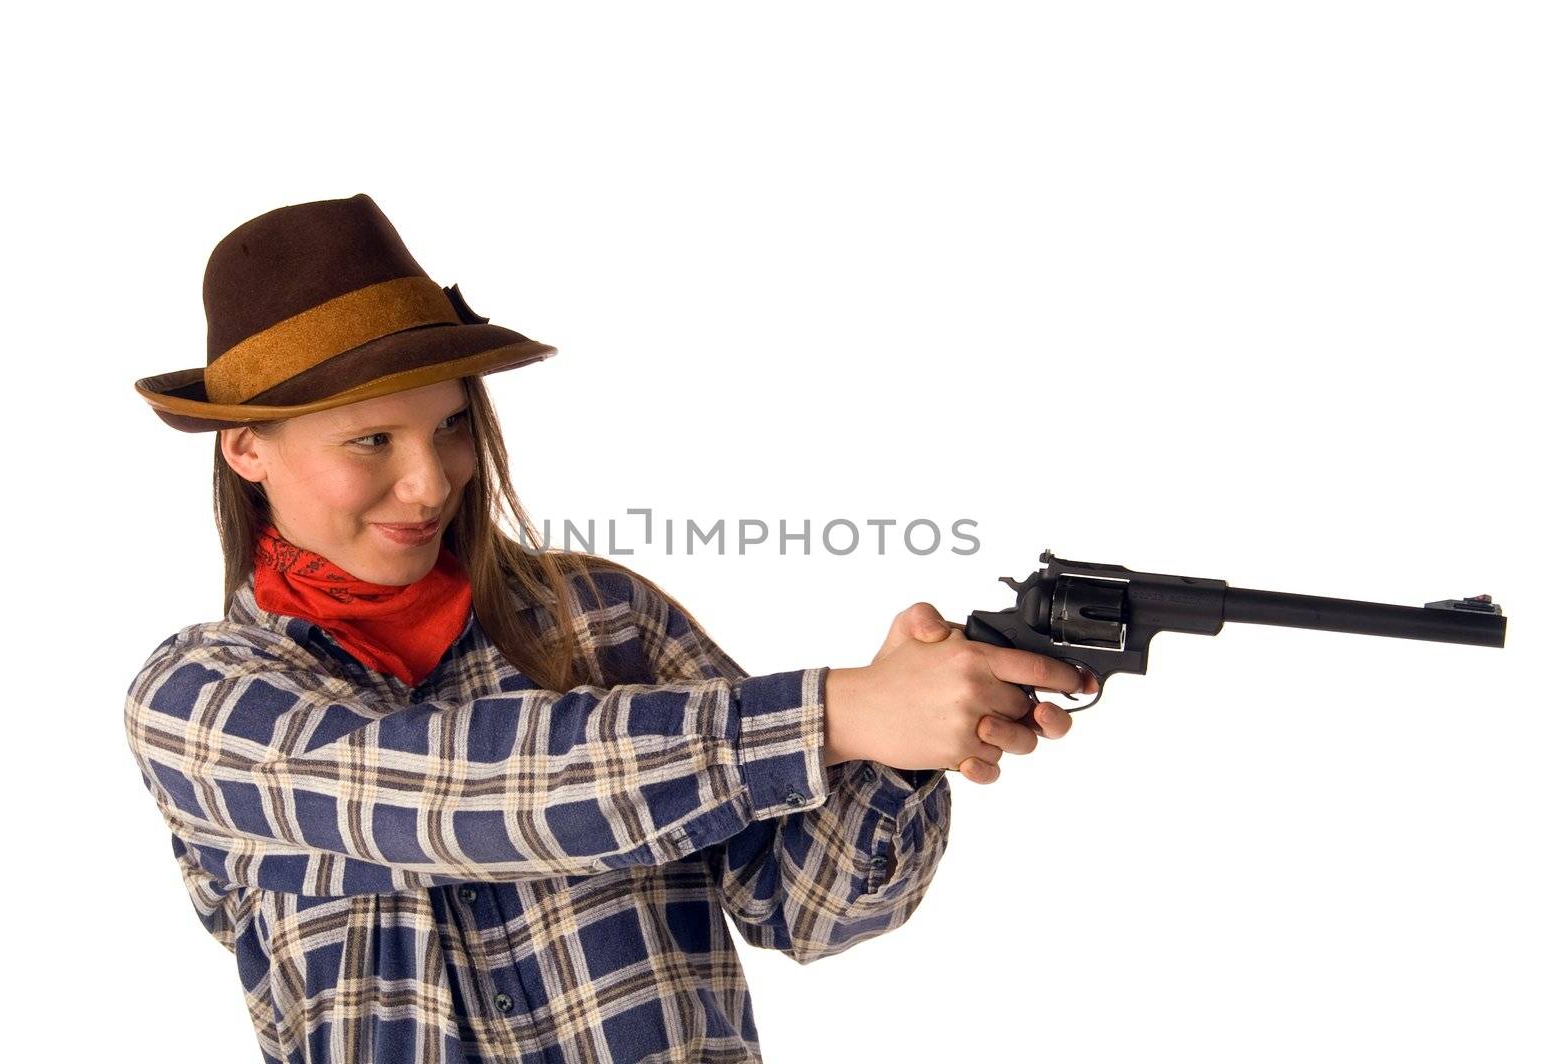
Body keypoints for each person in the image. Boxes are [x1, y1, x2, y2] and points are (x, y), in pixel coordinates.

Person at [123, 193, 1095, 1064]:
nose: (431, 481)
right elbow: (468, 792)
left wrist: (907, 741)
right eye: (372, 438)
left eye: (451, 426)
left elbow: (810, 908)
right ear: (246, 446)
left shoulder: (604, 616)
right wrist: (837, 711)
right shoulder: (198, 704)